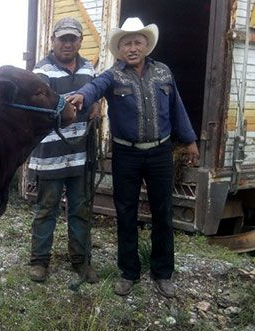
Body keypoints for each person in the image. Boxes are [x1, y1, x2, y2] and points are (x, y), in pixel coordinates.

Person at [67, 17, 199, 297]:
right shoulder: (112, 75)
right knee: (126, 213)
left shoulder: (163, 73)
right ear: (120, 48)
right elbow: (95, 87)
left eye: (137, 42)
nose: (132, 47)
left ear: (145, 45)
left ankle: (163, 273)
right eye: (126, 43)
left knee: (163, 213)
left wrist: (189, 140)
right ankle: (129, 273)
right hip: (126, 153)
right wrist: (82, 95)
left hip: (161, 152)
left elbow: (177, 108)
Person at [27, 17, 99, 284]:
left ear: (80, 41)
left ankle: (81, 261)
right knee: (47, 209)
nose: (67, 43)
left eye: (73, 38)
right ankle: (39, 261)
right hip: (50, 155)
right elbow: (38, 107)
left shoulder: (89, 69)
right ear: (53, 40)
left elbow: (95, 96)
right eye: (63, 38)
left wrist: (95, 104)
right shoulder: (42, 71)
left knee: (80, 209)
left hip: (81, 154)